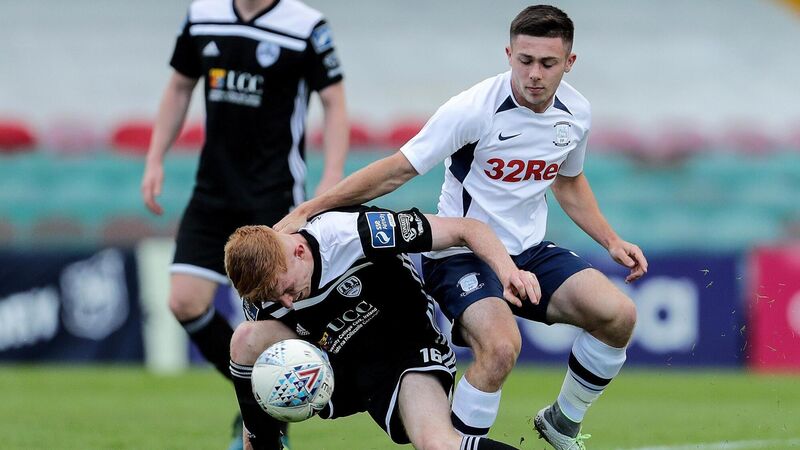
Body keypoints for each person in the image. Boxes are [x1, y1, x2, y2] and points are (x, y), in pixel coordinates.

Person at [275, 5, 647, 450]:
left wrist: (611, 240)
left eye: (547, 63)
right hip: (459, 254)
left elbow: (567, 183)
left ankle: (562, 422)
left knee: (619, 315)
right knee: (501, 347)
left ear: (569, 63)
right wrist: (311, 208)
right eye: (524, 60)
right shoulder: (473, 110)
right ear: (509, 53)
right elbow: (398, 170)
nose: (534, 74)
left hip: (528, 253)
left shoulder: (576, 113)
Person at [225, 205, 539, 450]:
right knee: (246, 339)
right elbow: (261, 366)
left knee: (437, 443)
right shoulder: (261, 295)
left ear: (300, 251)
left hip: (404, 354)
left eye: (287, 290)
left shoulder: (354, 233)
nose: (286, 303)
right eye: (273, 297)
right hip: (335, 363)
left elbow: (466, 229)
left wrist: (509, 272)